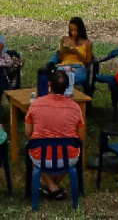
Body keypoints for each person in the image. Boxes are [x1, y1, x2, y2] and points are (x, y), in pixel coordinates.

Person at [25, 69, 86, 202]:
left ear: (49, 84)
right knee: (73, 151)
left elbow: (28, 133)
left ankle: (51, 186)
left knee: (34, 151)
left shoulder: (35, 104)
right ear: (67, 87)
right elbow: (81, 137)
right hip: (67, 157)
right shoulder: (75, 108)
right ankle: (54, 186)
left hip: (40, 157)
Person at [54, 17, 93, 88]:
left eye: (76, 30)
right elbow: (60, 59)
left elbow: (88, 62)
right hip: (64, 65)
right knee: (60, 76)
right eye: (71, 30)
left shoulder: (88, 43)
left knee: (66, 79)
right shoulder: (64, 39)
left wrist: (77, 54)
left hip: (78, 67)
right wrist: (62, 52)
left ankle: (64, 87)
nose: (74, 33)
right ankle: (66, 88)